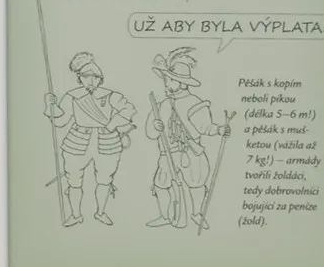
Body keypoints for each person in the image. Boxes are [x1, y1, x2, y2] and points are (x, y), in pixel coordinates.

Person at [44, 51, 135, 227]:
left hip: (107, 142)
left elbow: (129, 110)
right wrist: (51, 106)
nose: (91, 81)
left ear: (100, 78)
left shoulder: (111, 95)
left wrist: (111, 125)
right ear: (80, 78)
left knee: (105, 181)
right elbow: (61, 121)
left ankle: (100, 212)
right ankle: (76, 215)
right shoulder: (72, 96)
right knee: (74, 182)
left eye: (95, 77)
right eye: (86, 77)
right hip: (77, 142)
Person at [144, 47, 227, 229]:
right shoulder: (162, 105)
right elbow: (150, 132)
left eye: (171, 79)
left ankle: (197, 214)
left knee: (196, 185)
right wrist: (155, 127)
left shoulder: (194, 103)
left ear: (182, 83)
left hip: (190, 153)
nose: (166, 83)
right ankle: (165, 216)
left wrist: (220, 129)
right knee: (161, 185)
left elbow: (205, 127)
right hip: (167, 154)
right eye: (166, 79)